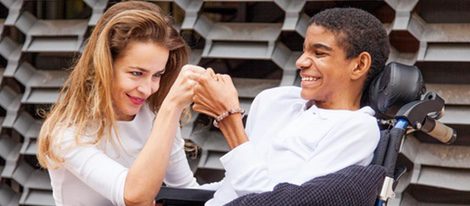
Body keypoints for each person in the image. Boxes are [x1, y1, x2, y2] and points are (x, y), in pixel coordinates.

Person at [192, 7, 390, 205]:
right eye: (304, 50)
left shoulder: (357, 129)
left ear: (359, 65)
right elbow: (231, 185)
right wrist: (172, 107)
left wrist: (229, 120)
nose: (300, 62)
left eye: (319, 53)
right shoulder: (275, 100)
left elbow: (274, 202)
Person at [36, 2, 203, 206]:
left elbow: (188, 193)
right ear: (104, 66)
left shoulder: (156, 117)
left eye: (157, 75)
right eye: (136, 73)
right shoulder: (67, 134)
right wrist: (172, 107)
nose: (147, 88)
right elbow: (132, 195)